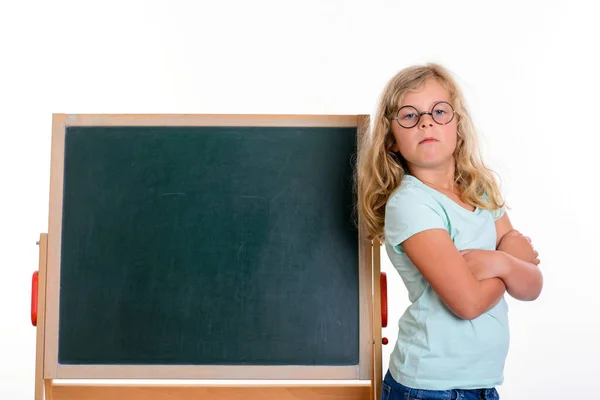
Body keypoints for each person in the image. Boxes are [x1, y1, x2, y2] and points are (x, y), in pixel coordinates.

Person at [356, 63, 543, 400]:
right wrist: (509, 262)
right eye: (409, 116)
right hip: (428, 388)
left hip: (482, 386)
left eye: (439, 111)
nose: (426, 121)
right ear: (392, 139)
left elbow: (532, 287)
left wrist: (498, 264)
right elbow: (468, 303)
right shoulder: (411, 204)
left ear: (458, 126)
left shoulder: (479, 190)